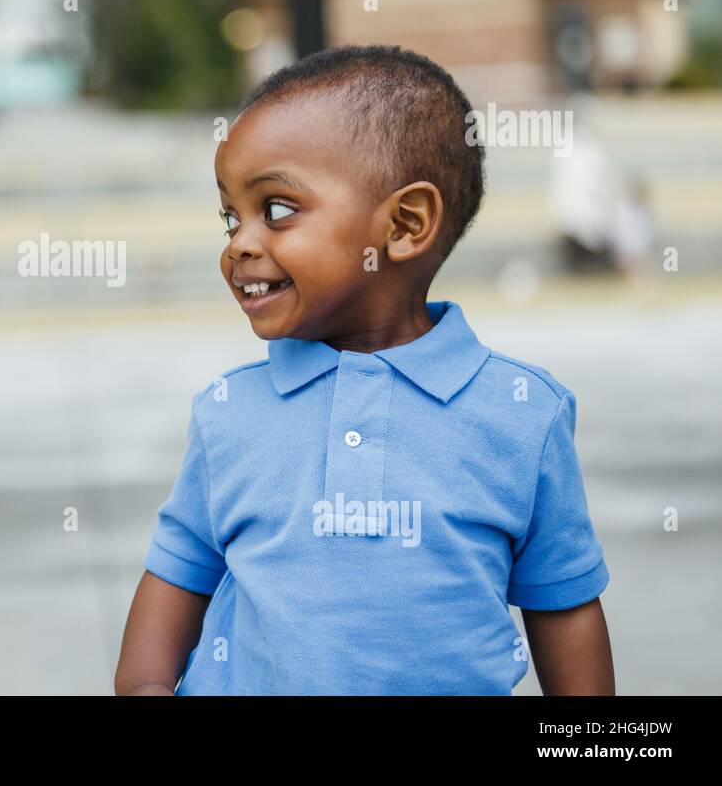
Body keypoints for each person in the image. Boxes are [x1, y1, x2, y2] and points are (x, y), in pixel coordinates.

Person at [115, 45, 614, 695]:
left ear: (405, 224)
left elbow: (566, 604)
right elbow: (176, 573)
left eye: (276, 209)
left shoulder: (521, 413)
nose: (239, 242)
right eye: (229, 217)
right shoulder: (228, 411)